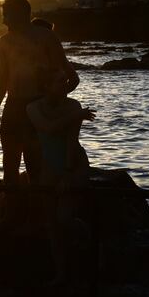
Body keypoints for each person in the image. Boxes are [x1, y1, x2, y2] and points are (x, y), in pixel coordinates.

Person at [0, 0, 78, 223]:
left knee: (36, 167)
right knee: (10, 167)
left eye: (5, 14)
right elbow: (1, 80)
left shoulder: (46, 37)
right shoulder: (5, 41)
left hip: (37, 108)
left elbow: (71, 77)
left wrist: (53, 101)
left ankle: (39, 220)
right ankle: (11, 219)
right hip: (13, 107)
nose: (3, 20)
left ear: (18, 14)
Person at [26, 68, 95, 284]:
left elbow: (71, 141)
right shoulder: (33, 108)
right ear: (45, 86)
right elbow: (47, 127)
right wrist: (77, 115)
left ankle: (88, 237)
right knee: (51, 224)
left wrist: (67, 173)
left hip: (73, 163)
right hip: (48, 165)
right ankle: (61, 273)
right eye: (59, 82)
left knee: (64, 218)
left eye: (65, 81)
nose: (65, 85)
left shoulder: (73, 105)